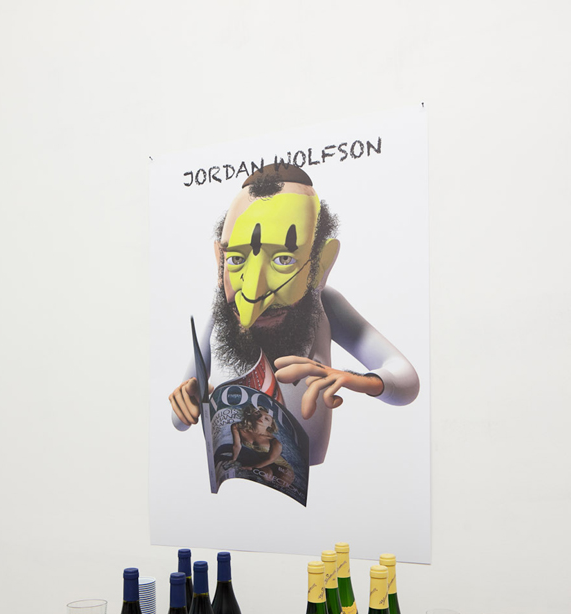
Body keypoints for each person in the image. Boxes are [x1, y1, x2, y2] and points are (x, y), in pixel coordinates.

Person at [170, 164, 419, 466]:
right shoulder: (220, 313)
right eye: (236, 259)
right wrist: (189, 399)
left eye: (283, 259)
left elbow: (406, 381)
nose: (254, 293)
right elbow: (178, 420)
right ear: (219, 260)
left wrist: (356, 380)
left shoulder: (324, 306)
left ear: (321, 264)